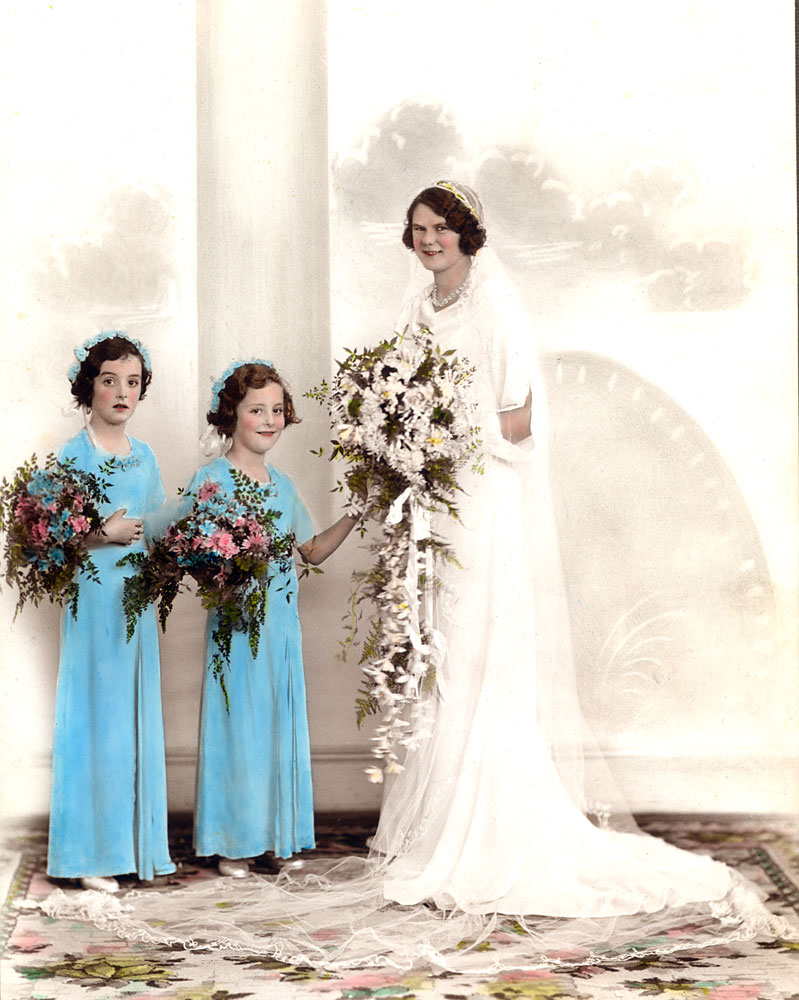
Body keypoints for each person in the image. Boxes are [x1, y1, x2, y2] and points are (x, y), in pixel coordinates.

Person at [41, 194, 795, 971]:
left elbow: (523, 419)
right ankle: (431, 829)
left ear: (467, 236)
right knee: (435, 657)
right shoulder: (416, 310)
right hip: (428, 506)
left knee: (472, 649)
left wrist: (438, 436)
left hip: (475, 503)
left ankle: (483, 827)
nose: (427, 241)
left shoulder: (495, 306)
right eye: (418, 231)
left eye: (440, 230)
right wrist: (397, 441)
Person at [183, 360, 358, 876]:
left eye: (277, 410)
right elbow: (189, 554)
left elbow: (313, 551)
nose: (268, 420)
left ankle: (270, 837)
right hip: (237, 628)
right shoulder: (211, 479)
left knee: (274, 726)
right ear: (231, 415)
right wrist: (225, 572)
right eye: (255, 409)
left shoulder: (282, 484)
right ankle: (232, 842)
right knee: (239, 727)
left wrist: (357, 511)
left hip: (280, 628)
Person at [48, 331, 175, 892]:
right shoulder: (72, 456)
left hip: (135, 603)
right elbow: (43, 538)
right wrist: (103, 533)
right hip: (94, 602)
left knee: (128, 719)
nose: (122, 392)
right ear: (89, 387)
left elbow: (155, 526)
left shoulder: (144, 455)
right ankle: (89, 854)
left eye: (132, 382)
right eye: (109, 381)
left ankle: (130, 847)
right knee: (96, 720)